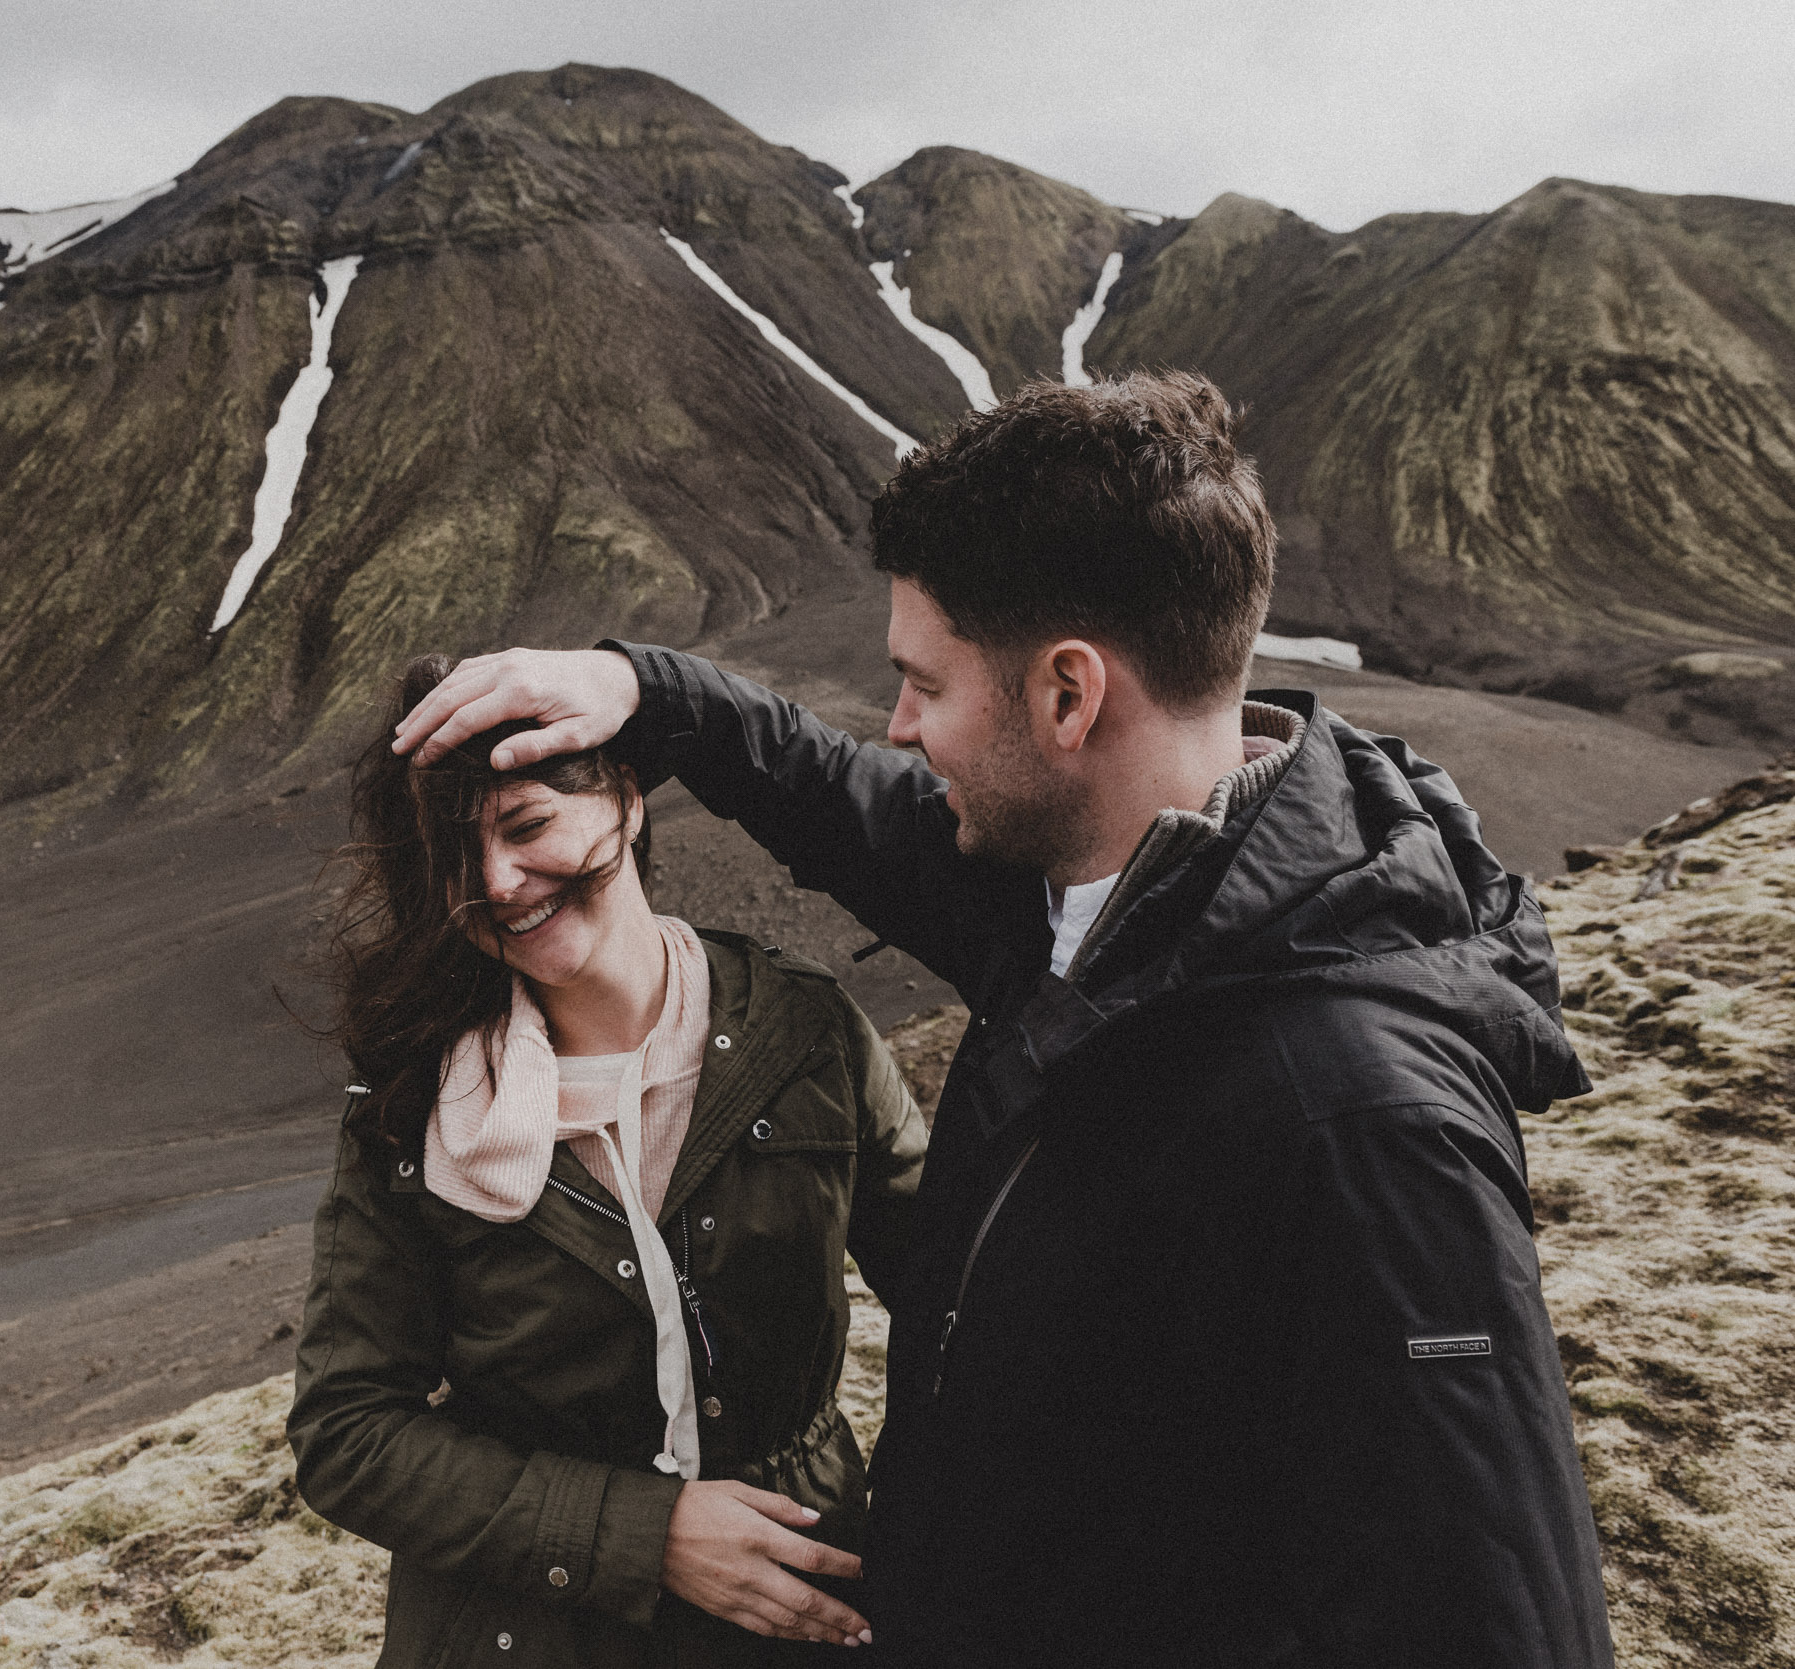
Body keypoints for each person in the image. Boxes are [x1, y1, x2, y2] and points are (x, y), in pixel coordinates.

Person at [389, 373, 1615, 1667]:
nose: (900, 726)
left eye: (924, 683)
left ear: (1068, 697)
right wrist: (651, 692)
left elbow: (1502, 1628)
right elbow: (848, 802)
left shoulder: (1360, 1126)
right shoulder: (1083, 900)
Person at [288, 653, 930, 1667]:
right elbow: (348, 1431)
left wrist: (923, 1526)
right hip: (516, 1633)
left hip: (801, 1605)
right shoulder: (413, 1099)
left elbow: (964, 1301)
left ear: (626, 796)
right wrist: (646, 1535)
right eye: (457, 855)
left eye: (528, 824)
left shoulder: (804, 1029)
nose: (497, 882)